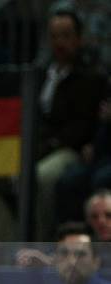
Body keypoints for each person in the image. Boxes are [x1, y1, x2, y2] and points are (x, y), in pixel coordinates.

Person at [34, 9, 106, 240]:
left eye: (65, 36)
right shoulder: (43, 73)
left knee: (43, 175)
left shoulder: (91, 76)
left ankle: (41, 240)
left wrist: (50, 144)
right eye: (54, 36)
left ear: (79, 38)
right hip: (41, 145)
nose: (59, 43)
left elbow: (82, 126)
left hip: (69, 149)